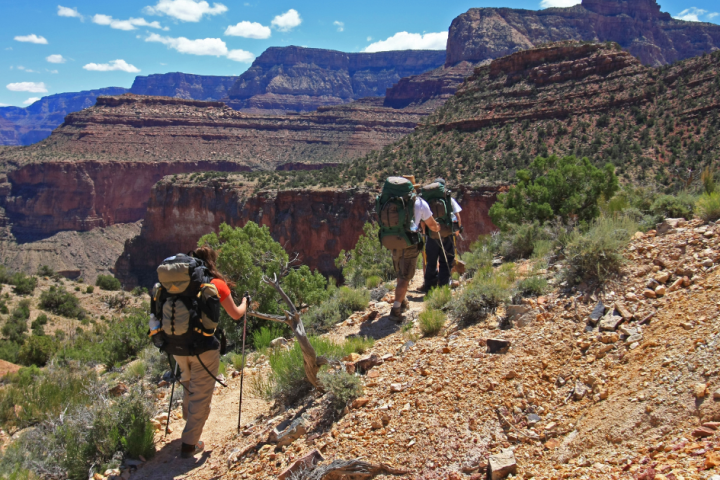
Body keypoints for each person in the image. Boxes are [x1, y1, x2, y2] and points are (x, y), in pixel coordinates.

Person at [175, 246, 248, 459]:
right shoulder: (216, 283)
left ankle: (189, 422)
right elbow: (235, 315)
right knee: (201, 395)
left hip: (178, 345)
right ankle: (189, 445)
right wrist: (245, 303)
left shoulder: (180, 281)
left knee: (188, 382)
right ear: (211, 262)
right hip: (204, 347)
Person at [389, 179, 440, 319]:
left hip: (393, 242)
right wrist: (438, 227)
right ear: (413, 188)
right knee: (405, 277)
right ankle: (396, 310)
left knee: (400, 272)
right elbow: (431, 224)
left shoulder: (390, 202)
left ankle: (402, 301)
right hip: (410, 243)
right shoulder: (419, 203)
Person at [422, 178, 462, 291]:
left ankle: (429, 287)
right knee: (446, 260)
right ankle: (443, 285)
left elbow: (423, 219)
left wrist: (425, 233)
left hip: (431, 234)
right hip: (447, 233)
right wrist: (457, 230)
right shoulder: (449, 199)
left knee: (431, 261)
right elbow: (457, 216)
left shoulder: (427, 200)